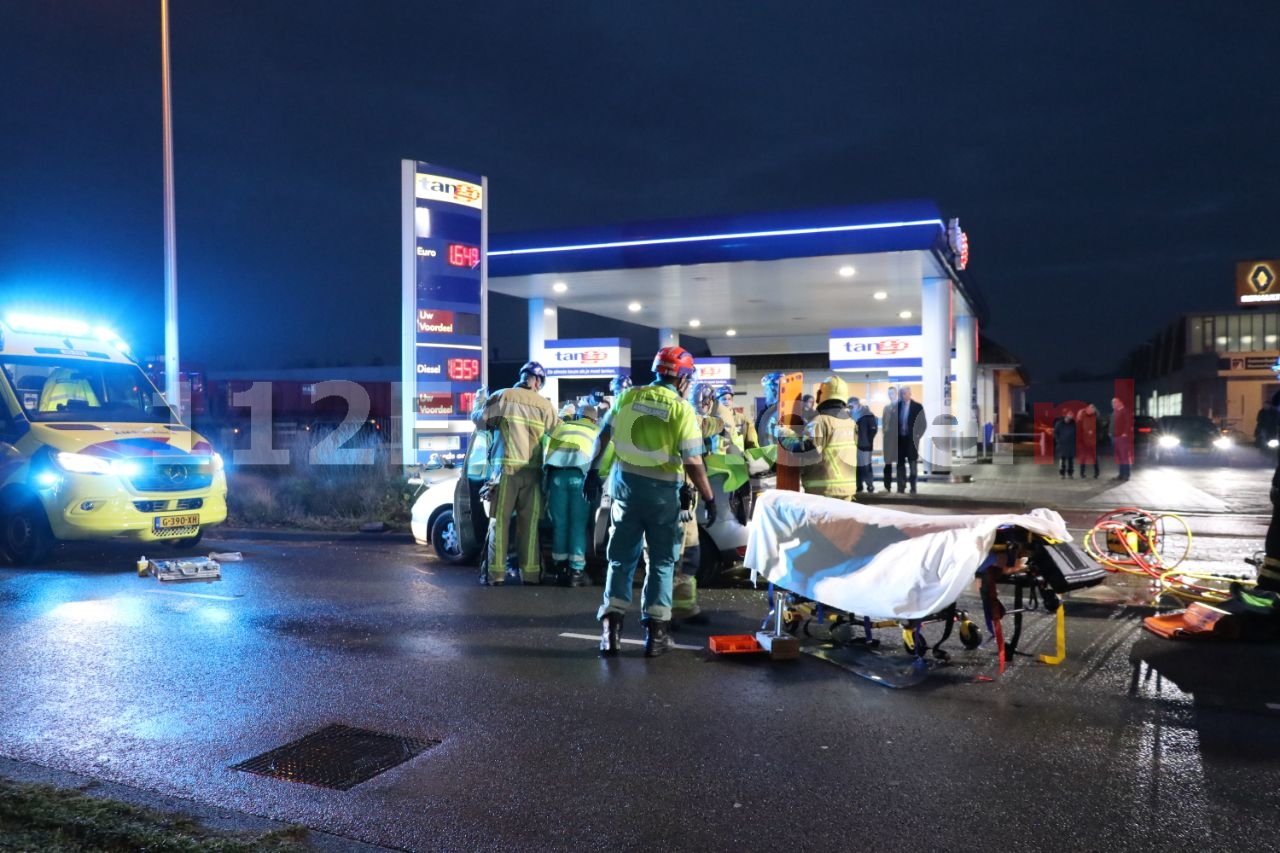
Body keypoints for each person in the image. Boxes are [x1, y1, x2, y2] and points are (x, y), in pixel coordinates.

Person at [585, 345, 715, 658]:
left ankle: (610, 635)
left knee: (619, 560)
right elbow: (693, 460)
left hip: (626, 493)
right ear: (682, 378)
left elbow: (605, 437)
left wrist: (594, 472)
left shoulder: (628, 397)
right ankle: (656, 637)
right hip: (663, 497)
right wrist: (709, 497)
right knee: (661, 564)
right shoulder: (681, 409)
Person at [471, 361, 561, 586]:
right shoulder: (544, 405)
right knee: (529, 525)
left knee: (498, 523)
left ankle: (495, 575)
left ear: (523, 376)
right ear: (538, 381)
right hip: (533, 474)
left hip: (505, 472)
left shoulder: (503, 396)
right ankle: (530, 575)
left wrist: (479, 401)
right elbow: (559, 433)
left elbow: (480, 422)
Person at [543, 403, 600, 587]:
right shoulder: (596, 431)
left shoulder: (563, 428)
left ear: (577, 417)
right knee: (578, 525)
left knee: (560, 524)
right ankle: (576, 572)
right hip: (580, 479)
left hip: (557, 477)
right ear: (594, 419)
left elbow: (546, 449)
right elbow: (603, 460)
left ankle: (560, 569)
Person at [778, 376, 858, 500]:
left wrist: (785, 436)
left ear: (822, 394)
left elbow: (807, 449)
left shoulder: (820, 422)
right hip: (847, 490)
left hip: (824, 491)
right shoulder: (850, 422)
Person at [891, 386, 926, 494]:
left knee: (912, 465)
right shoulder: (897, 406)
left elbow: (923, 424)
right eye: (901, 394)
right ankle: (901, 487)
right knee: (900, 465)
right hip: (900, 440)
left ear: (910, 394)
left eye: (905, 394)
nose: (903, 396)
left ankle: (913, 487)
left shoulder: (917, 407)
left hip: (911, 441)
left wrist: (917, 436)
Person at [714, 385, 759, 451]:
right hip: (718, 459)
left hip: (738, 458)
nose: (727, 402)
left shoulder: (742, 419)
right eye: (724, 399)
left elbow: (752, 443)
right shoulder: (712, 420)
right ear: (717, 402)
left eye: (729, 399)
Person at [850, 395, 879, 494]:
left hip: (865, 445)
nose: (850, 407)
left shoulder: (868, 414)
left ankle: (869, 485)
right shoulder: (849, 415)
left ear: (857, 404)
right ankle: (859, 485)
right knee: (856, 467)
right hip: (853, 445)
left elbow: (873, 429)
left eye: (851, 405)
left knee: (866, 466)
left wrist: (868, 440)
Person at [755, 371, 784, 447]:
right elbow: (757, 436)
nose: (765, 393)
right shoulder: (763, 414)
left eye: (767, 390)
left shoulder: (790, 411)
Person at [1111, 396, 1133, 481]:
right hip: (1115, 437)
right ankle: (1121, 474)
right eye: (1112, 403)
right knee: (1119, 457)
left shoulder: (1125, 411)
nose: (1113, 404)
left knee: (1124, 457)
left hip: (1122, 438)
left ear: (1120, 403)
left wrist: (1125, 433)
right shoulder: (1115, 412)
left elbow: (1128, 423)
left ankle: (1126, 475)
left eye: (1114, 402)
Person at [881, 386, 899, 490]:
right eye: (889, 393)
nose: (890, 395)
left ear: (896, 393)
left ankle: (900, 486)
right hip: (888, 439)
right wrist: (885, 432)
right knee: (887, 463)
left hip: (897, 439)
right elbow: (884, 422)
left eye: (892, 393)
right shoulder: (886, 408)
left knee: (899, 464)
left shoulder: (900, 406)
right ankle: (887, 486)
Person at [1076, 403, 1100, 479]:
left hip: (1092, 441)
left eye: (1093, 408)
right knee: (1084, 457)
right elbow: (1079, 428)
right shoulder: (1082, 416)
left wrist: (1096, 436)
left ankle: (1096, 473)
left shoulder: (1096, 418)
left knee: (1094, 457)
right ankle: (1082, 473)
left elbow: (1099, 429)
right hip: (1084, 441)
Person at [1054, 410, 1077, 478]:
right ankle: (1062, 474)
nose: (1069, 419)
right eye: (1068, 417)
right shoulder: (1059, 424)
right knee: (1062, 459)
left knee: (1070, 460)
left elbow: (1077, 433)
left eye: (1071, 417)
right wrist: (1058, 441)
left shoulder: (1074, 424)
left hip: (1071, 445)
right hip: (1062, 445)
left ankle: (1070, 473)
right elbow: (1056, 433)